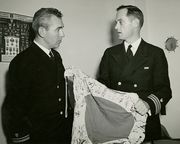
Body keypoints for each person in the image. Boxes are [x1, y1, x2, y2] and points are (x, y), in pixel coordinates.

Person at [98, 5, 172, 142]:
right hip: (116, 123)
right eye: (116, 22)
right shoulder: (110, 54)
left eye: (120, 22)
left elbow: (165, 90)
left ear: (135, 23)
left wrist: (148, 104)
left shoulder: (155, 54)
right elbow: (101, 88)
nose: (116, 27)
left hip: (145, 124)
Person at [2, 8, 73, 144]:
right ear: (42, 31)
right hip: (38, 137)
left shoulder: (55, 56)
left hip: (59, 133)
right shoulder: (22, 61)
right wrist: (21, 139)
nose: (62, 34)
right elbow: (14, 107)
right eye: (58, 29)